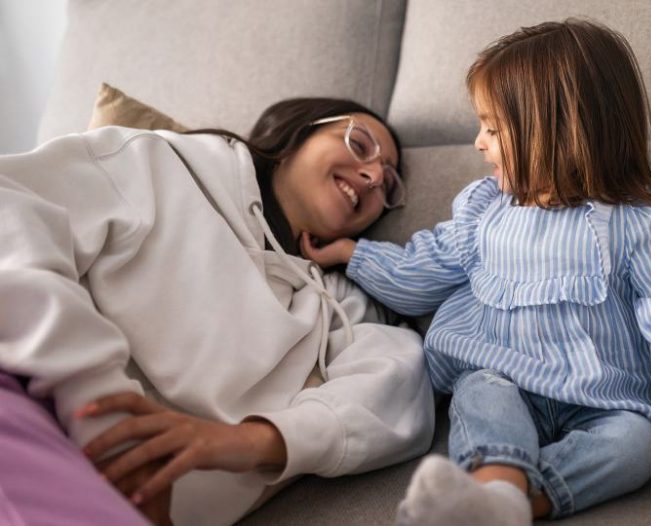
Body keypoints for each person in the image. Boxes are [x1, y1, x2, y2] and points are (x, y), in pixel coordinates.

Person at [305, 20, 651, 525]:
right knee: (481, 391)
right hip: (501, 378)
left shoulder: (634, 223)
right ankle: (496, 486)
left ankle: (515, 504)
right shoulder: (484, 209)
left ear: (558, 132)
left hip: (601, 399)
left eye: (492, 129)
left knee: (635, 443)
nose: (478, 143)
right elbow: (424, 269)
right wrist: (354, 255)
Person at [0, 97, 435, 525]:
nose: (373, 177)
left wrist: (254, 440)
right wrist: (104, 416)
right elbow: (12, 209)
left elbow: (401, 386)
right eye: (360, 144)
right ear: (298, 130)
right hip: (28, 396)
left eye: (388, 185)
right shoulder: (158, 162)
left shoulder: (338, 307)